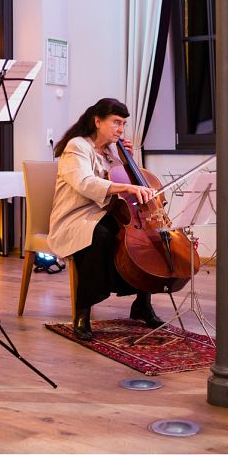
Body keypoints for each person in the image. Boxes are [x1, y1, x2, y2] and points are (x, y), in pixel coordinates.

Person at [47, 98, 163, 341]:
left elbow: (131, 182)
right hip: (77, 218)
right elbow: (85, 183)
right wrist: (126, 187)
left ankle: (142, 303)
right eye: (116, 122)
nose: (120, 129)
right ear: (97, 121)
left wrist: (128, 159)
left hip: (104, 213)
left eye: (123, 124)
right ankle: (82, 312)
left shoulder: (112, 150)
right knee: (100, 235)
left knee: (142, 240)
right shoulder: (77, 147)